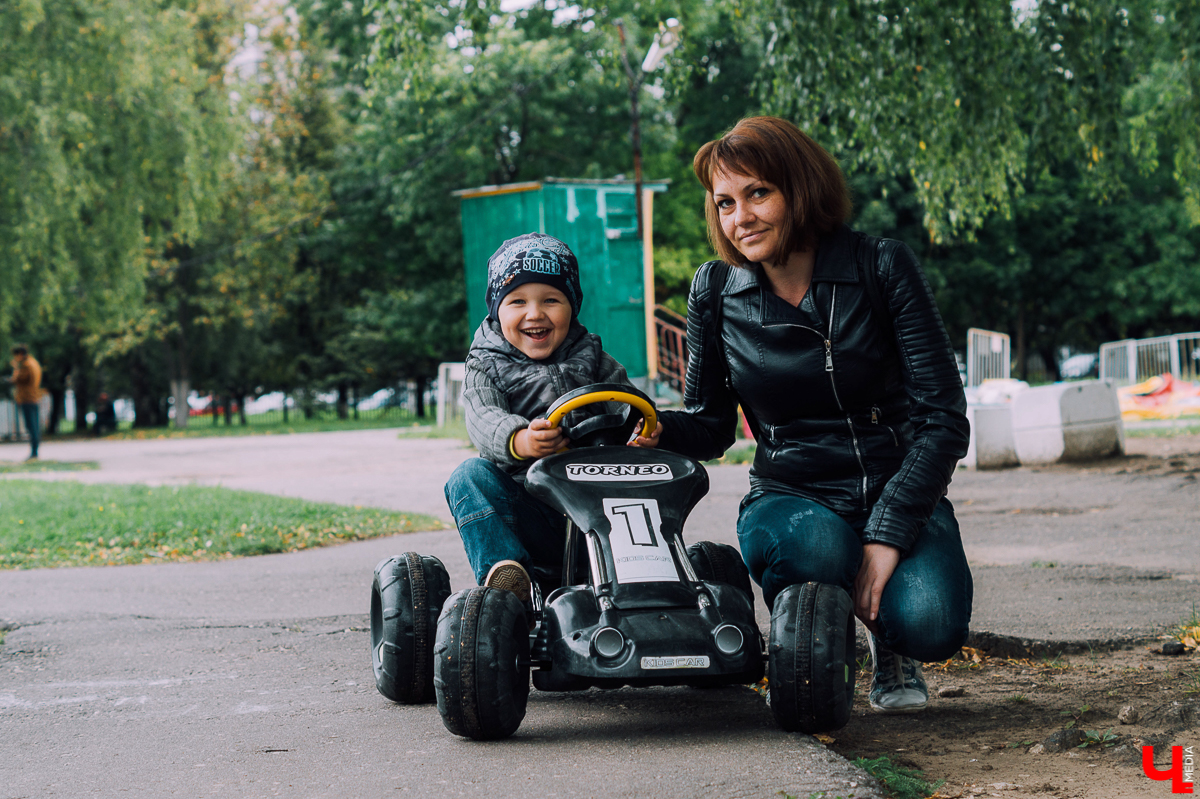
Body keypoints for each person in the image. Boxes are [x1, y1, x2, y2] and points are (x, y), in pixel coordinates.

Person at [648, 117, 972, 714]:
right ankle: (819, 641)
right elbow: (711, 427)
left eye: (758, 193)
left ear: (801, 188)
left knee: (932, 623)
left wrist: (889, 532)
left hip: (895, 486)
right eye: (724, 203)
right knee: (818, 550)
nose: (739, 217)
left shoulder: (881, 266)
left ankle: (889, 641)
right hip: (792, 492)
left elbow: (944, 418)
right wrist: (653, 426)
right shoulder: (714, 291)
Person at [444, 233, 661, 605]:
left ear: (571, 306)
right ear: (497, 309)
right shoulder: (485, 364)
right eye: (517, 302)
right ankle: (508, 580)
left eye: (551, 300)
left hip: (601, 508)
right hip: (531, 510)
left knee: (659, 475)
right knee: (467, 477)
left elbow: (630, 403)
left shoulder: (592, 355)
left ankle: (667, 578)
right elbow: (482, 417)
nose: (535, 313)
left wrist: (645, 427)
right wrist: (521, 439)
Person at [9, 345, 43, 461]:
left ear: (20, 354)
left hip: (27, 398)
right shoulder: (34, 363)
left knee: (31, 426)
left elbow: (16, 379)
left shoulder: (26, 365)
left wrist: (15, 368)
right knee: (34, 425)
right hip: (34, 397)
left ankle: (34, 452)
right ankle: (35, 450)